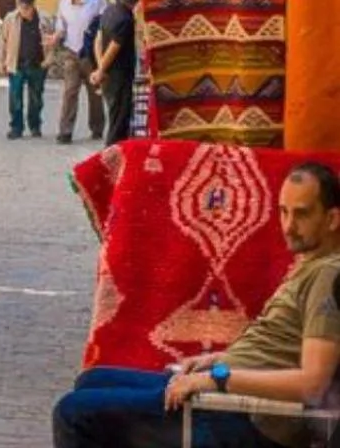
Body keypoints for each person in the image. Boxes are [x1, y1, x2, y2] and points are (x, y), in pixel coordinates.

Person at [52, 162, 340, 447]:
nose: (289, 226)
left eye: (302, 214)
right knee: (92, 379)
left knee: (73, 413)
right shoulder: (311, 264)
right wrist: (215, 361)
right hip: (223, 392)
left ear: (332, 219)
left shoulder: (329, 275)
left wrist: (217, 378)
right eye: (283, 212)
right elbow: (276, 348)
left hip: (245, 417)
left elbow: (312, 384)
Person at [48, 0, 105, 145]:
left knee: (94, 92)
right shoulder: (63, 3)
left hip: (90, 54)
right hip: (71, 52)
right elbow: (61, 26)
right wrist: (55, 37)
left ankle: (97, 128)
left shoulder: (95, 1)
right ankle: (65, 132)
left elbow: (104, 25)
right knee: (69, 91)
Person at [91, 0, 139, 146]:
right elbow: (114, 46)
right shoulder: (126, 19)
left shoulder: (109, 11)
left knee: (114, 117)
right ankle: (110, 159)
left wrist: (100, 67)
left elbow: (98, 39)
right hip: (119, 77)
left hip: (109, 76)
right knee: (118, 124)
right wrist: (101, 70)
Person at [0, 0, 47, 138]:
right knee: (15, 98)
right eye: (22, 6)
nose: (24, 10)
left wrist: (49, 60)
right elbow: (2, 40)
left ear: (33, 5)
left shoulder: (43, 18)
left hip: (37, 64)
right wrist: (1, 60)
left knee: (36, 98)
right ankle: (16, 127)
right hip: (16, 64)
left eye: (27, 7)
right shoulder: (10, 18)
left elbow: (51, 41)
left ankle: (35, 125)